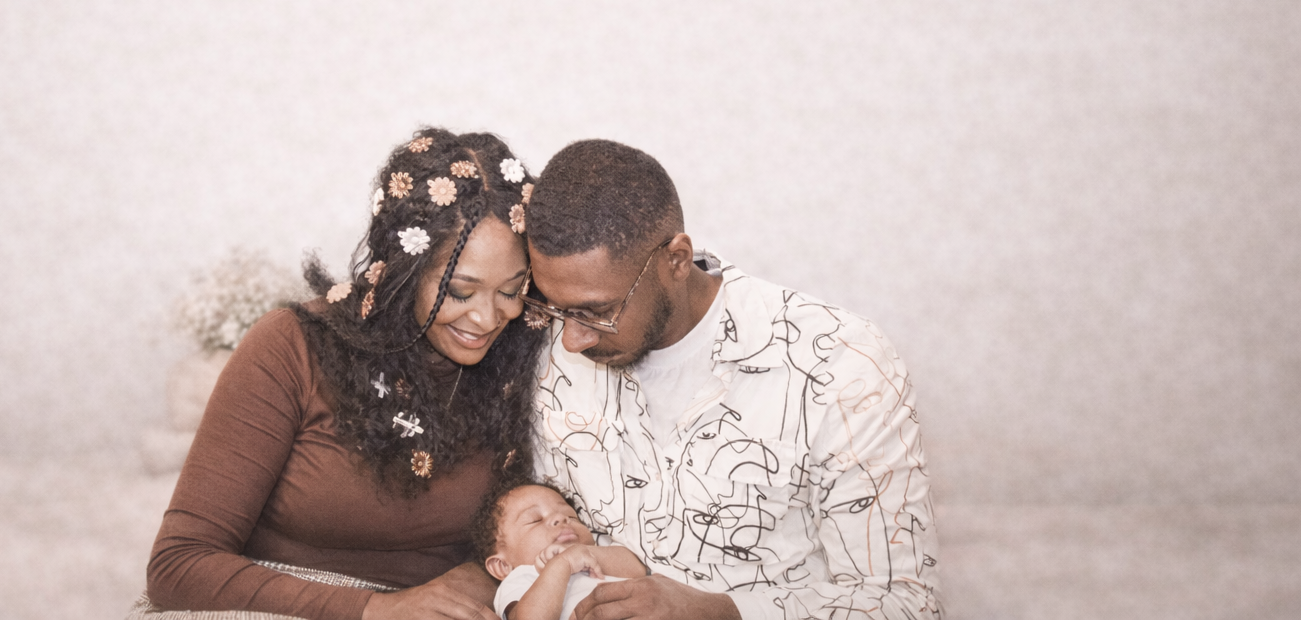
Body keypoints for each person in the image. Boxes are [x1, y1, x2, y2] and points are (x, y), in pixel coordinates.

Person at [518, 140, 941, 619]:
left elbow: (906, 605)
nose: (571, 339)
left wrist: (720, 612)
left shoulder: (839, 364)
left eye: (597, 312)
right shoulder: (550, 356)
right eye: (554, 307)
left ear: (677, 260)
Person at [144, 128, 546, 619]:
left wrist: (477, 580)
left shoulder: (523, 358)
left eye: (510, 290)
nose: (487, 318)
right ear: (403, 270)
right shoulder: (292, 346)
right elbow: (178, 565)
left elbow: (536, 534)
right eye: (460, 292)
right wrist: (374, 609)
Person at [470, 483, 649, 619]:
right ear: (502, 566)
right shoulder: (522, 577)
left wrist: (583, 553)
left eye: (571, 516)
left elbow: (638, 568)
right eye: (535, 520)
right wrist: (562, 564)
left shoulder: (600, 552)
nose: (561, 518)